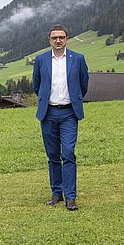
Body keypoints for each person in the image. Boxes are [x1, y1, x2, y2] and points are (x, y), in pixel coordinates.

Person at [33, 24, 89, 211]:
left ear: (67, 39)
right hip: (48, 113)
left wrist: (73, 100)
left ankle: (70, 197)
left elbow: (83, 85)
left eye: (61, 37)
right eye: (54, 37)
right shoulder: (41, 60)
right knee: (52, 155)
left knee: (68, 153)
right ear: (49, 40)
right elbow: (37, 85)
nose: (58, 40)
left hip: (69, 113)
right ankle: (56, 193)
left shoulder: (78, 59)